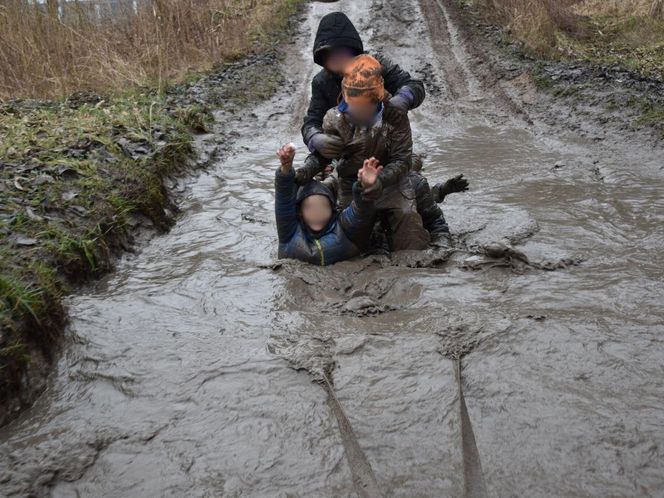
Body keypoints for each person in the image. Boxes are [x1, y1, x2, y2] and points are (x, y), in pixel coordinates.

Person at [301, 11, 460, 245]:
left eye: (343, 53)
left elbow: (414, 85)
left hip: (386, 149)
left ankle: (433, 209)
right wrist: (316, 139)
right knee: (333, 203)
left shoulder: (376, 66)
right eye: (331, 56)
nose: (338, 60)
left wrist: (402, 99)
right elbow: (311, 122)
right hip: (348, 157)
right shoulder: (323, 83)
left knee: (411, 186)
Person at [297, 54, 431, 252]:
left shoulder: (395, 116)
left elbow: (402, 160)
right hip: (351, 183)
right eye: (353, 106)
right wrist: (306, 169)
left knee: (408, 225)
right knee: (350, 241)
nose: (358, 113)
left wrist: (378, 181)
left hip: (391, 182)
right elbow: (323, 156)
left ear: (377, 99)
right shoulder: (335, 118)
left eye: (364, 108)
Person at [275, 143, 381, 266]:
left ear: (332, 209)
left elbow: (360, 210)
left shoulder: (343, 227)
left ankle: (332, 166)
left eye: (323, 206)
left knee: (336, 177)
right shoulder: (289, 233)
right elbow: (283, 198)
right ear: (300, 212)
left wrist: (365, 187)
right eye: (310, 207)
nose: (317, 213)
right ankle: (325, 167)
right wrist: (286, 168)